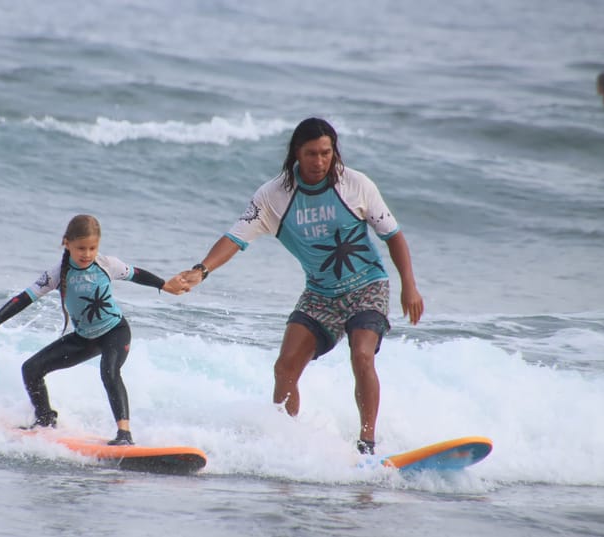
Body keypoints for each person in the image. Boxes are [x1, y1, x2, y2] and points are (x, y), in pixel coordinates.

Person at [176, 118, 424, 455]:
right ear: (296, 153)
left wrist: (408, 285)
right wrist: (202, 270)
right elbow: (235, 237)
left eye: (327, 153)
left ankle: (367, 443)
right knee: (285, 367)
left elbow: (393, 236)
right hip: (320, 293)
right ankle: (286, 441)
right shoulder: (273, 196)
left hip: (368, 285)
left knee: (362, 355)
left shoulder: (356, 185)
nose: (320, 162)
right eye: (311, 154)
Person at [0, 214, 187, 446]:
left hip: (115, 331)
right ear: (66, 243)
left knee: (110, 372)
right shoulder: (56, 273)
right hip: (85, 338)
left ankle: (124, 435)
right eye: (81, 248)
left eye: (93, 247)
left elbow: (137, 274)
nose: (87, 254)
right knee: (31, 369)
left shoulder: (107, 264)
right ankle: (45, 421)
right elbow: (25, 297)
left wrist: (164, 285)